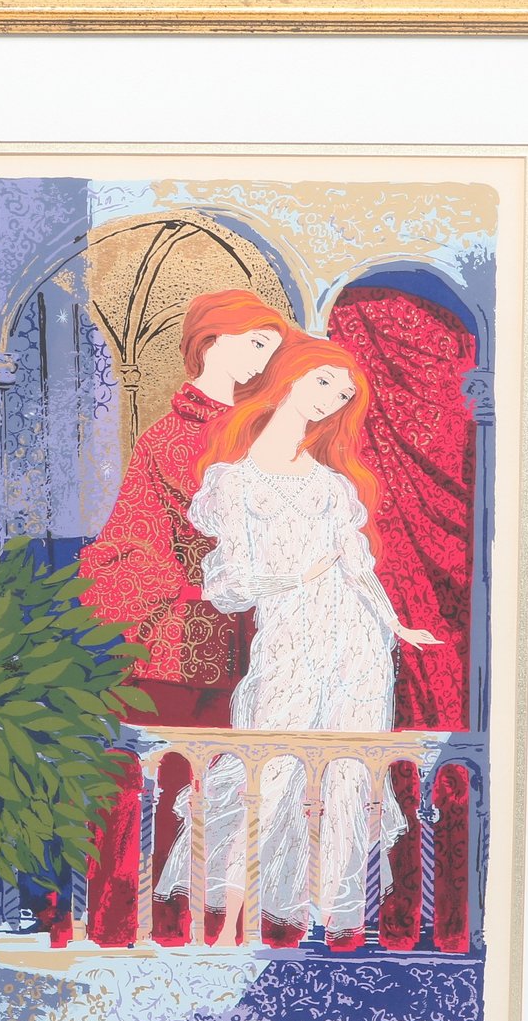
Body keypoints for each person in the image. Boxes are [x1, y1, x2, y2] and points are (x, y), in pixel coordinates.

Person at [154, 335, 441, 945]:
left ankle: (324, 921)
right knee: (270, 769)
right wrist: (299, 577)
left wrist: (395, 625)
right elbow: (231, 586)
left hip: (356, 642)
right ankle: (231, 925)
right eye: (324, 382)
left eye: (342, 394)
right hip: (289, 635)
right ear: (290, 375)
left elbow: (356, 568)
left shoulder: (332, 486)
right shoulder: (234, 483)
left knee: (346, 773)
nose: (331, 399)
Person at [75, 289, 293, 945]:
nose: (262, 361)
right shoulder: (171, 437)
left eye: (272, 350)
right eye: (254, 343)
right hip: (170, 642)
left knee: (235, 788)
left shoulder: (263, 427)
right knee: (162, 784)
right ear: (210, 341)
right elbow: (157, 538)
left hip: (251, 637)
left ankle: (218, 928)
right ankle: (136, 925)